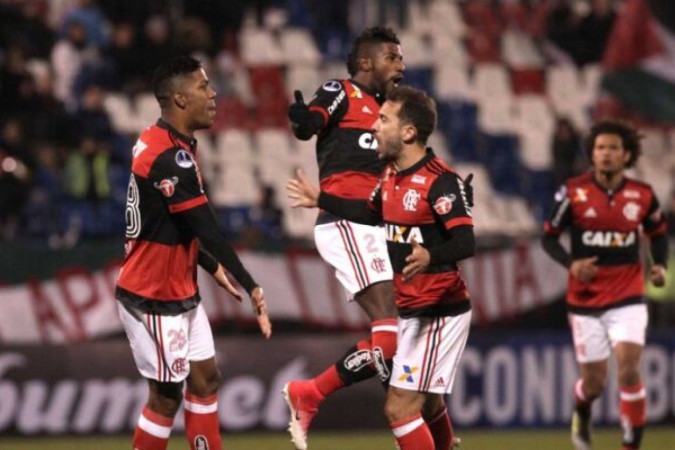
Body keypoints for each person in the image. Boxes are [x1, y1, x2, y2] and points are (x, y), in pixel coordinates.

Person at [288, 85, 474, 450]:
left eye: (383, 120)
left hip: (438, 313)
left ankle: (310, 394)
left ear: (408, 132)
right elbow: (367, 213)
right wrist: (320, 200)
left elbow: (466, 243)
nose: (373, 127)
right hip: (412, 312)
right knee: (425, 403)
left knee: (399, 408)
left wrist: (429, 256)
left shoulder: (440, 180)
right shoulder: (389, 177)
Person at [115, 55, 271, 450]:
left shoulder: (160, 140)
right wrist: (249, 283)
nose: (213, 93)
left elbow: (171, 221)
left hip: (180, 290)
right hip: (155, 295)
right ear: (181, 99)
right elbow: (205, 226)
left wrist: (207, 262)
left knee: (205, 378)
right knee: (166, 398)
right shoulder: (172, 157)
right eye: (204, 87)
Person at [282, 26, 404, 450]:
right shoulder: (342, 90)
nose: (401, 66)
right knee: (390, 319)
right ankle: (408, 426)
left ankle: (310, 393)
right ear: (367, 62)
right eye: (392, 57)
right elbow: (312, 121)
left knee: (398, 334)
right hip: (345, 222)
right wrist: (303, 120)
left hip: (381, 224)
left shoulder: (391, 112)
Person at [542, 119, 668, 450]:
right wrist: (572, 263)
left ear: (626, 155)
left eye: (613, 148)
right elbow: (549, 238)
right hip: (585, 300)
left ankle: (631, 444)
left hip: (629, 296)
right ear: (592, 155)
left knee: (629, 370)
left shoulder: (642, 195)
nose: (607, 154)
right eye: (600, 148)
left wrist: (660, 267)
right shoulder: (573, 192)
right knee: (595, 384)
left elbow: (658, 235)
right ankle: (582, 410)